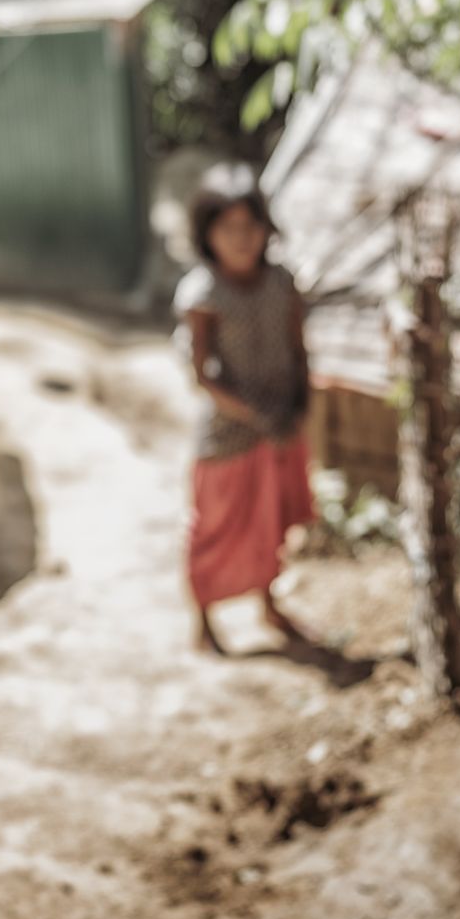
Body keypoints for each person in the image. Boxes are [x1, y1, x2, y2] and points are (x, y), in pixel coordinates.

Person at [173, 176, 311, 655]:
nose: (241, 238)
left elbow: (298, 348)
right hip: (227, 433)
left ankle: (268, 602)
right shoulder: (202, 294)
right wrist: (254, 414)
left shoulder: (282, 282)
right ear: (206, 234)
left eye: (250, 225)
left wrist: (298, 405)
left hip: (281, 425)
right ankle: (204, 620)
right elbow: (203, 375)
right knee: (215, 526)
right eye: (227, 227)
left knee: (271, 522)